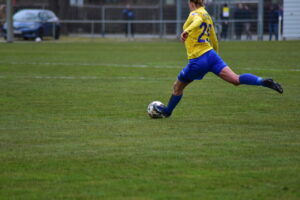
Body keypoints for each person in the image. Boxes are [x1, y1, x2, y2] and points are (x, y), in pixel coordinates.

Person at [154, 0, 283, 118]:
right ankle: (262, 81)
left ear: (191, 2)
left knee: (177, 87)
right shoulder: (207, 15)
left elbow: (197, 21)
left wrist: (186, 31)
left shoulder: (195, 14)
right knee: (236, 79)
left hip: (198, 59)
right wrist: (215, 57)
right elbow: (214, 38)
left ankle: (167, 112)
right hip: (211, 55)